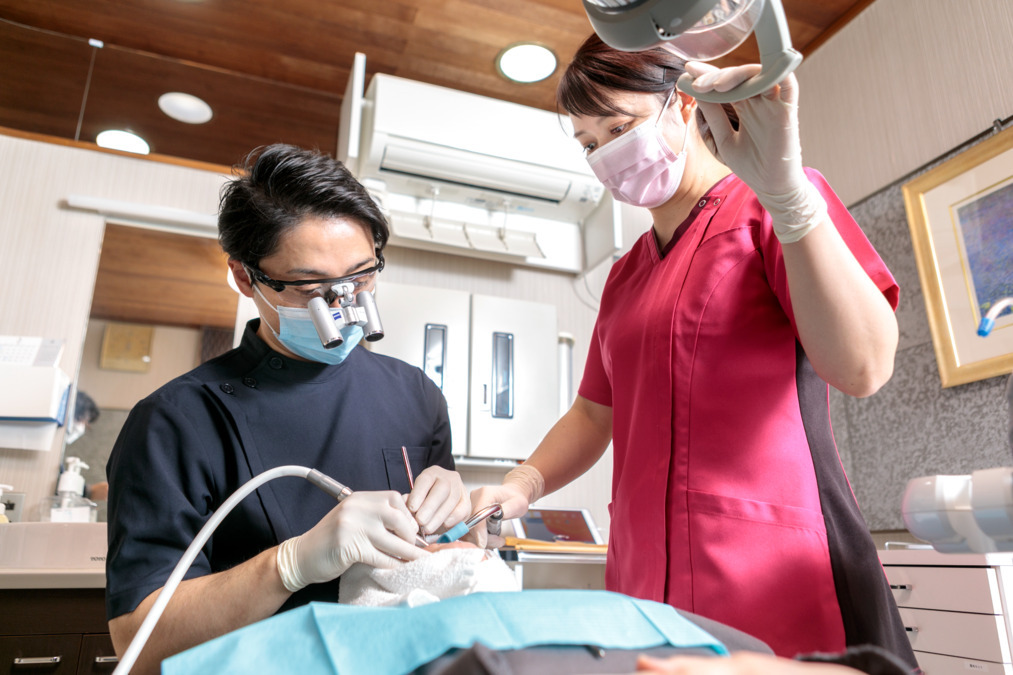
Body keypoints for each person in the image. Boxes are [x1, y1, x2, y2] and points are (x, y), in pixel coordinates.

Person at [470, 34, 916, 668]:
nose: (605, 156)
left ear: (679, 104)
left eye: (618, 127)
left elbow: (866, 367)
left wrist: (791, 203)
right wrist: (523, 482)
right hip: (642, 579)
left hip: (770, 566)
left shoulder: (774, 207)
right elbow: (595, 413)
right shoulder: (625, 276)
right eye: (590, 144)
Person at [105, 143, 471, 674]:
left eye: (362, 276)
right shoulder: (175, 421)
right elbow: (138, 645)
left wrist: (464, 517)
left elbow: (445, 561)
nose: (345, 305)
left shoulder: (415, 393)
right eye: (310, 287)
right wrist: (290, 564)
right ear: (245, 277)